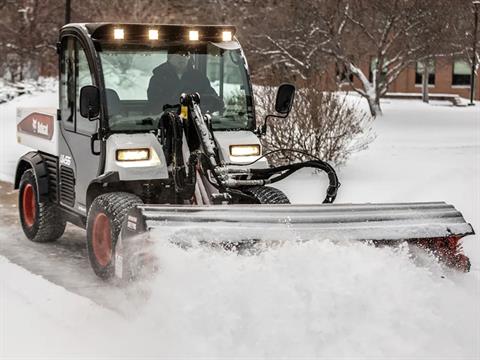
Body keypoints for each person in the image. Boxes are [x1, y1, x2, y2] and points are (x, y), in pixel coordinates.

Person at [147, 50, 223, 113]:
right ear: (169, 58)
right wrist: (178, 103)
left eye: (185, 55)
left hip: (195, 124)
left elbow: (214, 100)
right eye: (177, 55)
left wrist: (199, 102)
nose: (182, 58)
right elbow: (154, 105)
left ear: (189, 57)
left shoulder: (198, 78)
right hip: (167, 124)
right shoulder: (158, 78)